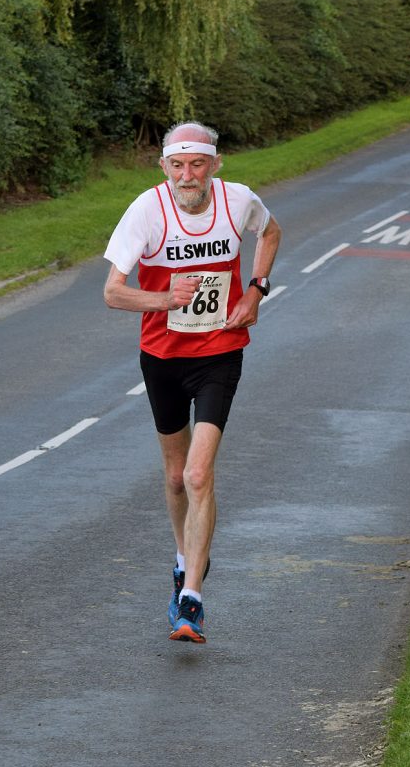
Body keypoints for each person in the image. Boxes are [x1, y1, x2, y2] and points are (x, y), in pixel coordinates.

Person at [103, 121, 281, 643]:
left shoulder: (238, 200)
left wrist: (256, 289)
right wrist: (164, 299)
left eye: (197, 164)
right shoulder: (147, 210)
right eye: (178, 165)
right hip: (161, 356)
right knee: (177, 474)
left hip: (220, 352)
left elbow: (270, 232)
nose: (188, 175)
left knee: (200, 474)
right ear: (164, 167)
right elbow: (113, 292)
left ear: (215, 165)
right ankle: (183, 558)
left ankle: (192, 599)